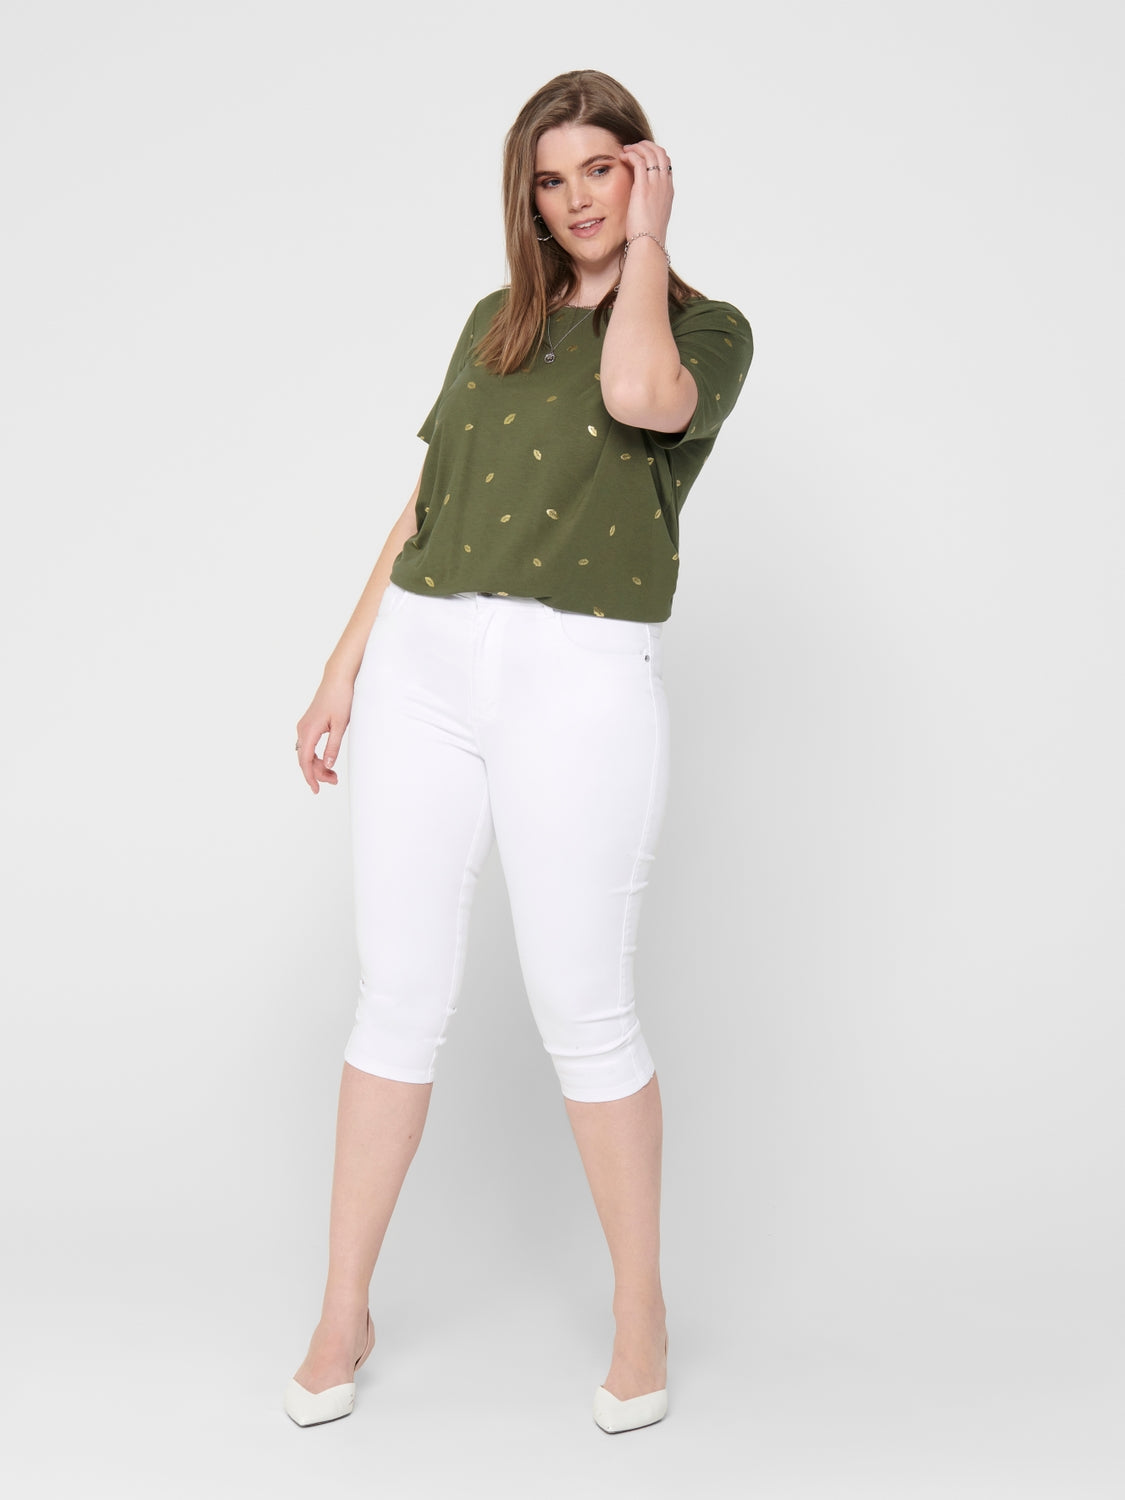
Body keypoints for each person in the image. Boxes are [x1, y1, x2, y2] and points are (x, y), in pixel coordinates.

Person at [284, 69, 752, 1435]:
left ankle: (638, 1310)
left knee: (582, 1002)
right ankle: (342, 1309)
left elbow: (641, 397)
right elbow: (425, 503)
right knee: (397, 993)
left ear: (643, 170)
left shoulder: (706, 330)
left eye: (601, 169)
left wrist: (648, 245)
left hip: (578, 676)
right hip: (425, 660)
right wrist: (345, 661)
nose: (576, 200)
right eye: (551, 181)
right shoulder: (496, 323)